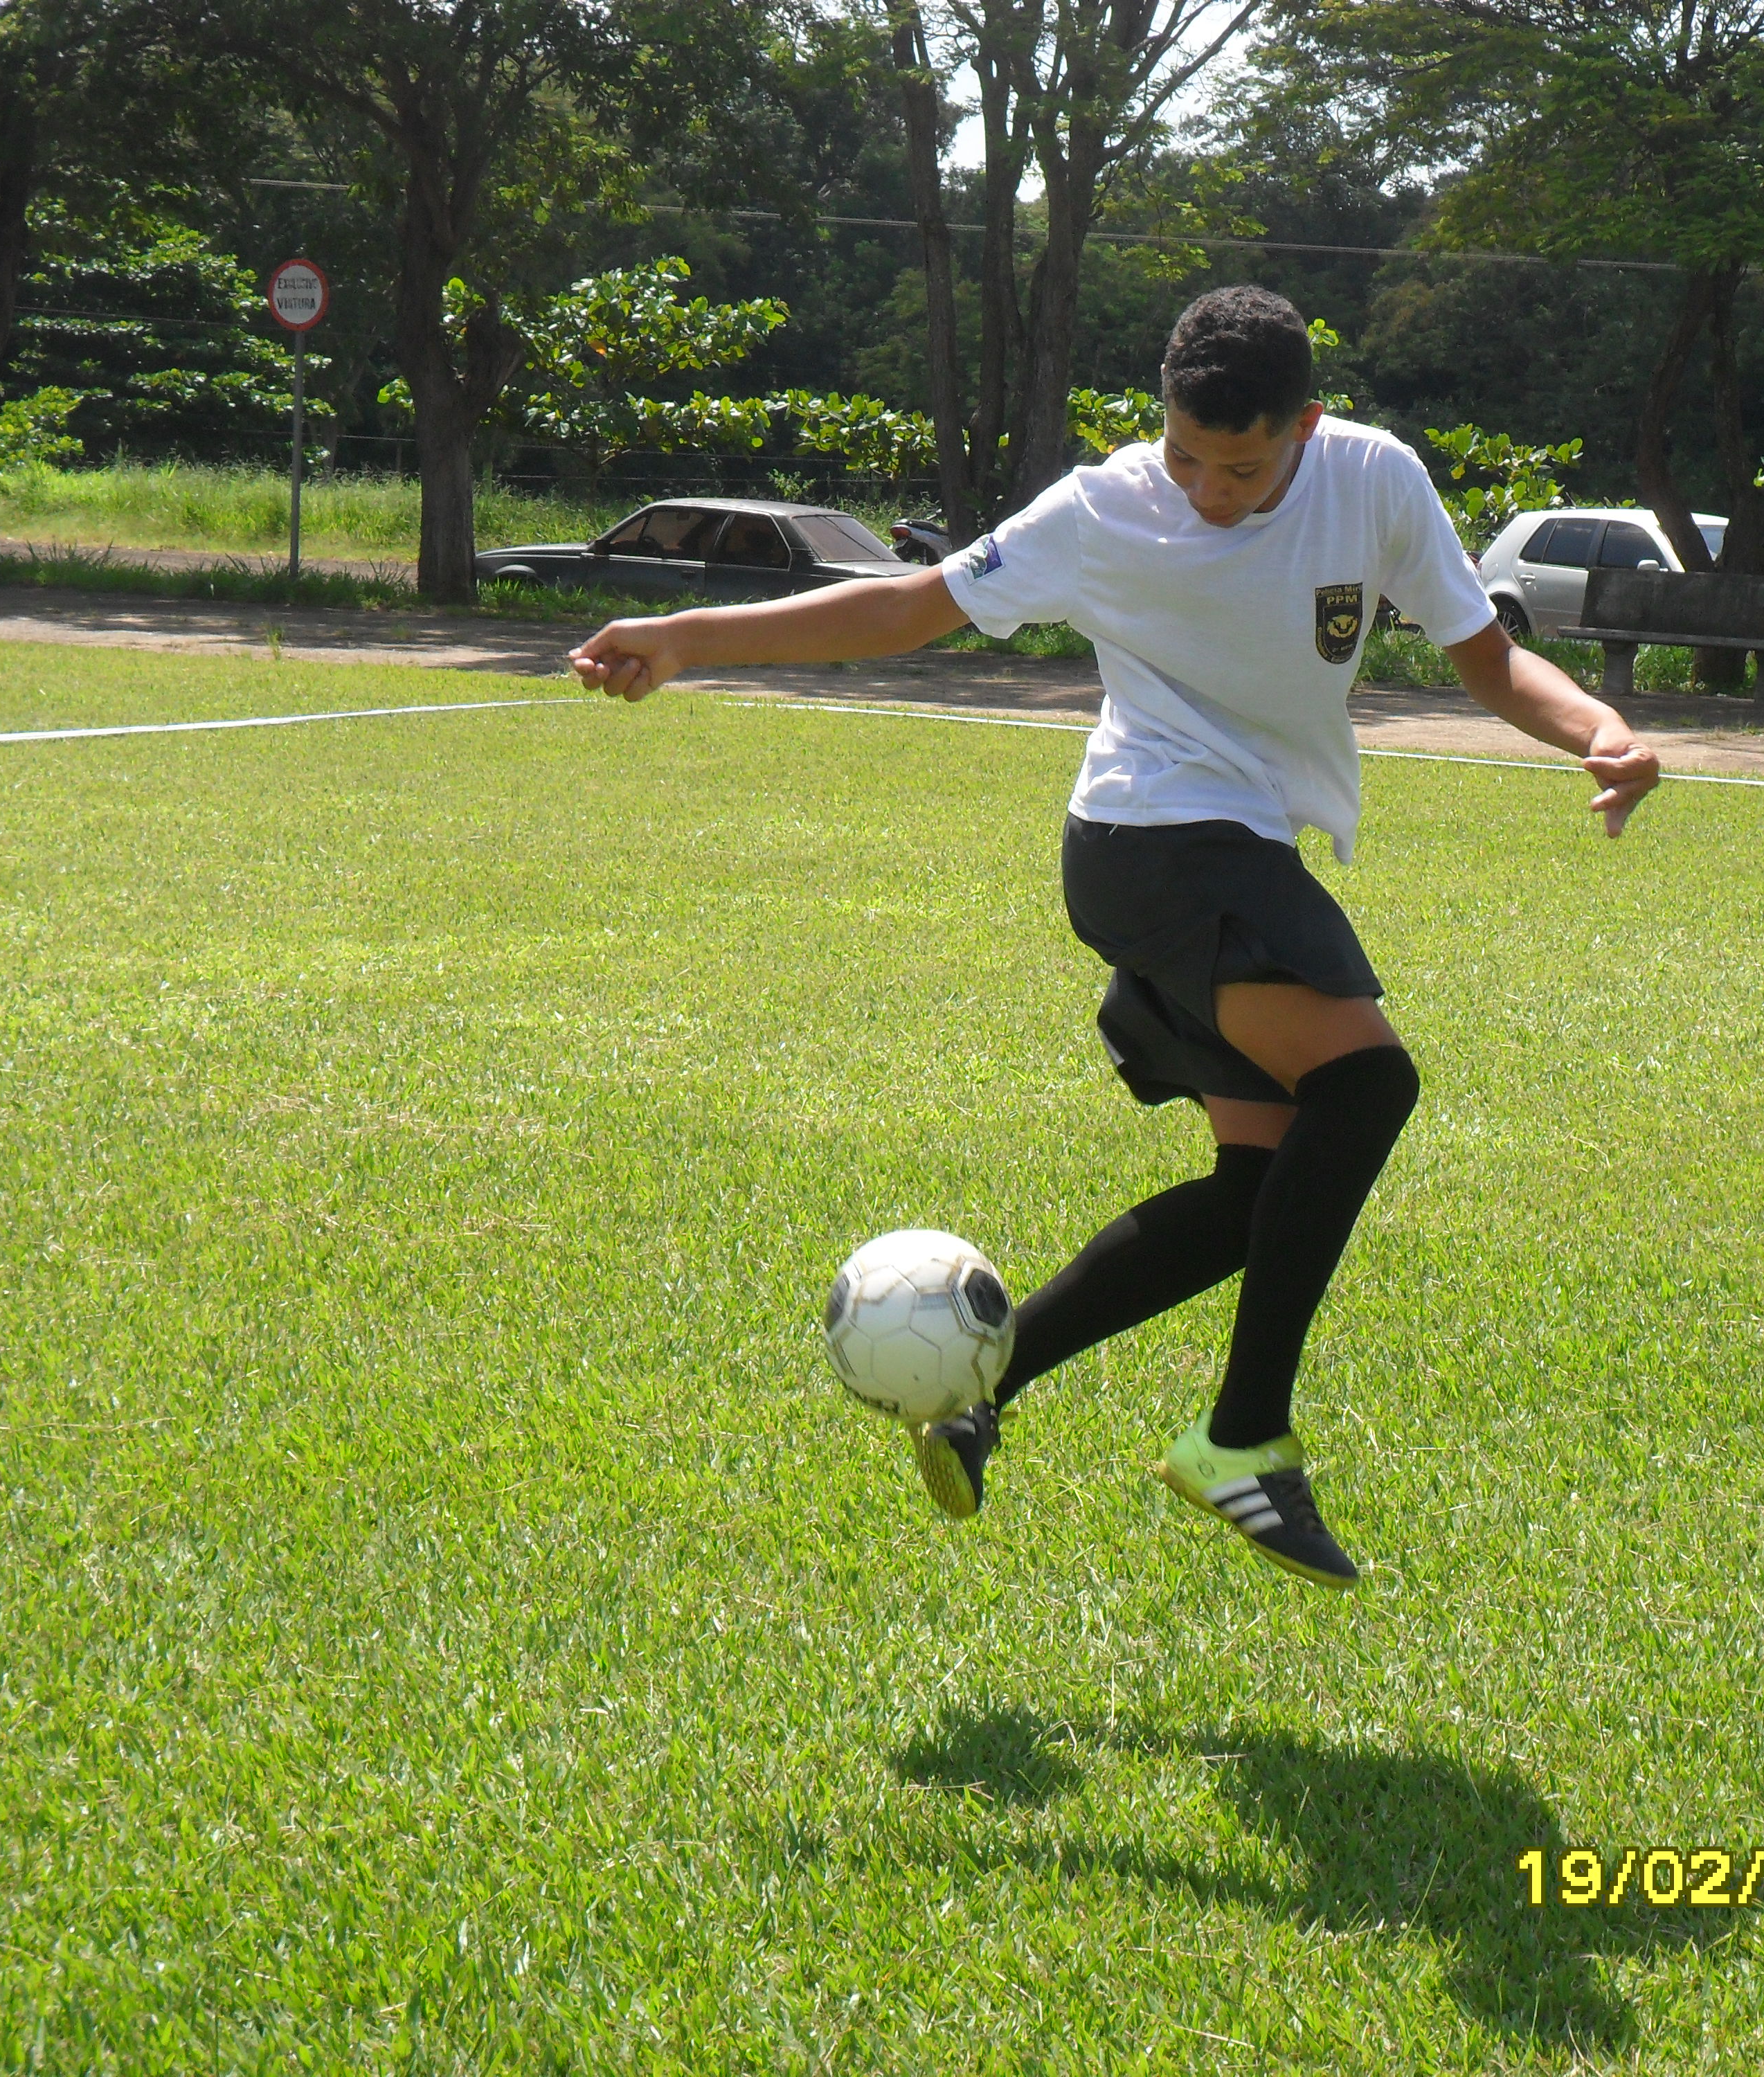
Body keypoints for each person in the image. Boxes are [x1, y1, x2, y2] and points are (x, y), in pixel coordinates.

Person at [571, 286, 1659, 1589]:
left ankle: (984, 1392)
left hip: (1236, 849)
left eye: (1241, 468)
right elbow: (906, 608)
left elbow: (1486, 658)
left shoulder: (1373, 479)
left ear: (1307, 426)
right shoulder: (1103, 506)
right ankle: (1244, 1439)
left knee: (1258, 1192)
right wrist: (684, 637)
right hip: (1151, 839)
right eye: (1186, 456)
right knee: (1367, 1083)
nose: (1206, 490)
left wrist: (1597, 728)